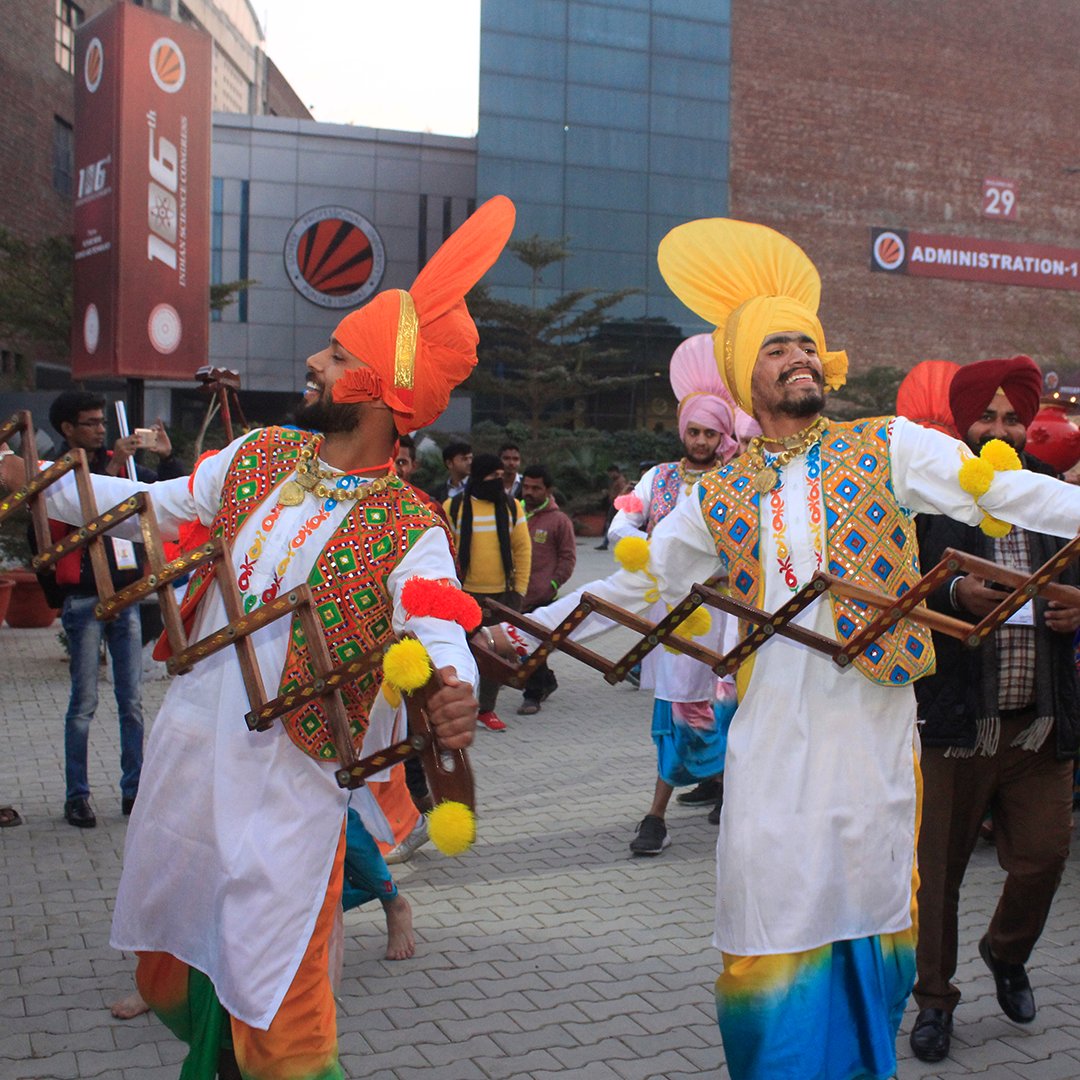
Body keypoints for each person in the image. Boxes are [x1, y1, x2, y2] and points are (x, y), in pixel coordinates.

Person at [486, 217, 1080, 1079]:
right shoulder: (720, 492)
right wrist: (519, 631)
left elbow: (1011, 490)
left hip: (874, 750)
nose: (799, 354)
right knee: (764, 932)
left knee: (875, 937)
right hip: (770, 749)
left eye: (807, 342)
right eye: (775, 347)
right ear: (743, 378)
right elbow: (642, 586)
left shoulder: (885, 444)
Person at [3, 194, 514, 1080]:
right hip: (192, 760)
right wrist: (39, 483)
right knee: (187, 965)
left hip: (290, 789)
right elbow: (146, 512)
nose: (314, 360)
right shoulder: (261, 457)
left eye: (338, 353)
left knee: (281, 1003)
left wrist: (449, 683)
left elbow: (435, 618)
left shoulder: (409, 524)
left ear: (385, 391)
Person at [908, 355, 1080, 1063]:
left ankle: (1006, 953)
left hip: (1038, 722)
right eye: (988, 416)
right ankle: (935, 1002)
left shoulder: (1052, 496)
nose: (1000, 429)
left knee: (1044, 856)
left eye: (1014, 418)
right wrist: (954, 599)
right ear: (962, 420)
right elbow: (899, 588)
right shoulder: (928, 494)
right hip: (956, 723)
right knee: (939, 872)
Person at [605, 334, 747, 855]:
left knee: (731, 708)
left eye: (712, 432)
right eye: (694, 431)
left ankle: (729, 795)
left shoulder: (737, 481)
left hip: (727, 617)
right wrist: (655, 555)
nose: (702, 440)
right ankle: (655, 815)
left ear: (724, 434)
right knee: (674, 714)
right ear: (682, 430)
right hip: (673, 619)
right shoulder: (659, 478)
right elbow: (622, 525)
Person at [39, 391, 184, 828]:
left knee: (132, 701)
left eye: (102, 422)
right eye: (89, 423)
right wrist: (113, 465)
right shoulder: (54, 468)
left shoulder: (118, 461)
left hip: (126, 593)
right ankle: (77, 796)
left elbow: (163, 497)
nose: (100, 429)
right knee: (83, 703)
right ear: (67, 429)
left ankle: (133, 791)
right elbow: (85, 504)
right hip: (84, 597)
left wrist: (166, 457)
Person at [445, 452, 531, 732]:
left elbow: (522, 550)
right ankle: (458, 708)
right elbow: (445, 551)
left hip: (501, 597)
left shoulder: (512, 507)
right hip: (464, 595)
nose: (499, 481)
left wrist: (519, 590)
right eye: (492, 476)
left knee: (494, 657)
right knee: (460, 653)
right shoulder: (454, 507)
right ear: (479, 478)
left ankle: (487, 709)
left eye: (500, 476)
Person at [517, 464, 576, 715]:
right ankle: (547, 681)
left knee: (530, 645)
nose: (529, 492)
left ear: (548, 490)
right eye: (526, 487)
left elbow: (568, 558)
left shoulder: (559, 521)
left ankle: (532, 695)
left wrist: (551, 585)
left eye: (536, 488)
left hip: (542, 597)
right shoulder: (514, 513)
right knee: (523, 645)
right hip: (514, 594)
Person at [596, 464, 629, 550]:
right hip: (615, 503)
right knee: (610, 523)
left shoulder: (620, 481)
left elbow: (623, 492)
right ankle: (605, 543)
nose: (610, 476)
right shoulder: (616, 481)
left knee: (611, 523)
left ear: (615, 472)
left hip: (617, 504)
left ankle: (606, 543)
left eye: (611, 473)